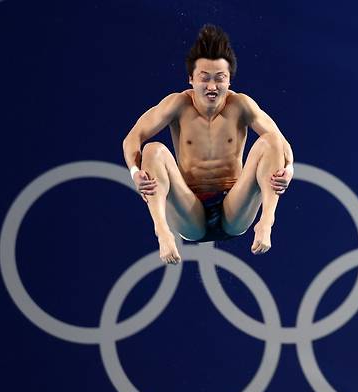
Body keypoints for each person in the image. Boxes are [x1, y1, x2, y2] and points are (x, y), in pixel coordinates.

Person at [122, 24, 294, 265]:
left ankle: (266, 223)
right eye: (204, 78)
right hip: (190, 211)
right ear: (191, 79)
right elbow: (133, 138)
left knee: (272, 141)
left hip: (236, 209)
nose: (212, 87)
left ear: (229, 80)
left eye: (220, 78)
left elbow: (283, 146)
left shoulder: (242, 105)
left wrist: (289, 171)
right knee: (152, 150)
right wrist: (134, 173)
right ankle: (162, 232)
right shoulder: (177, 105)